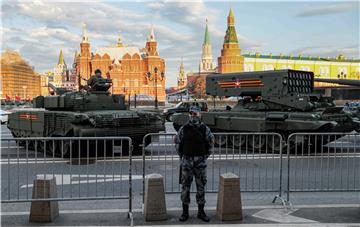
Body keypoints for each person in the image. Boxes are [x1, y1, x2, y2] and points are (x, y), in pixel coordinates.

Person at [174, 106, 214, 222]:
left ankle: (201, 212)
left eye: (195, 114)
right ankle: (185, 212)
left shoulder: (204, 129)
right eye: (191, 113)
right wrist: (183, 156)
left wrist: (204, 157)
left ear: (199, 115)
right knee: (185, 187)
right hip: (187, 161)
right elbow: (177, 143)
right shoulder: (184, 128)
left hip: (200, 161)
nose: (193, 116)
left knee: (200, 187)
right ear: (189, 115)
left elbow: (210, 143)